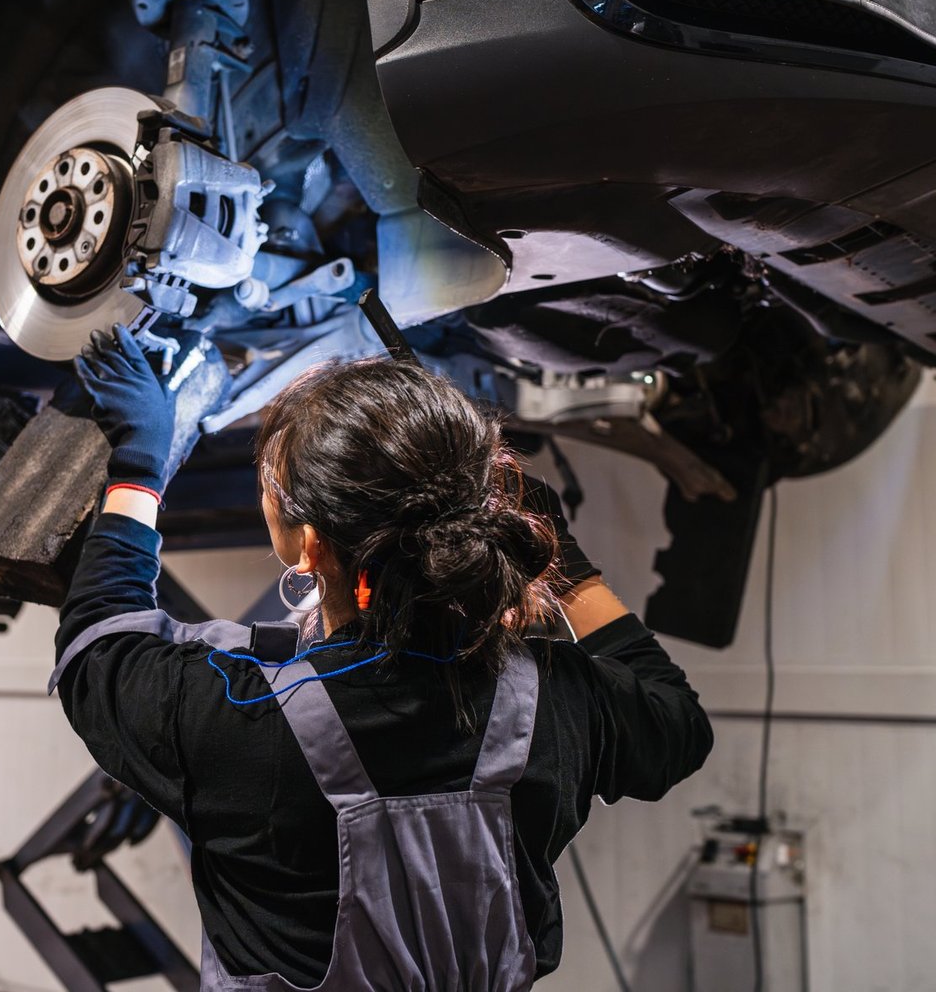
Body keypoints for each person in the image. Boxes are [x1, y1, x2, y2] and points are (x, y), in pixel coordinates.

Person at [54, 325, 714, 990]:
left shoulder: (234, 716)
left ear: (308, 546)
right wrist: (565, 565)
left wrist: (140, 463)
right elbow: (677, 724)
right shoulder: (555, 699)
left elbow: (97, 641)